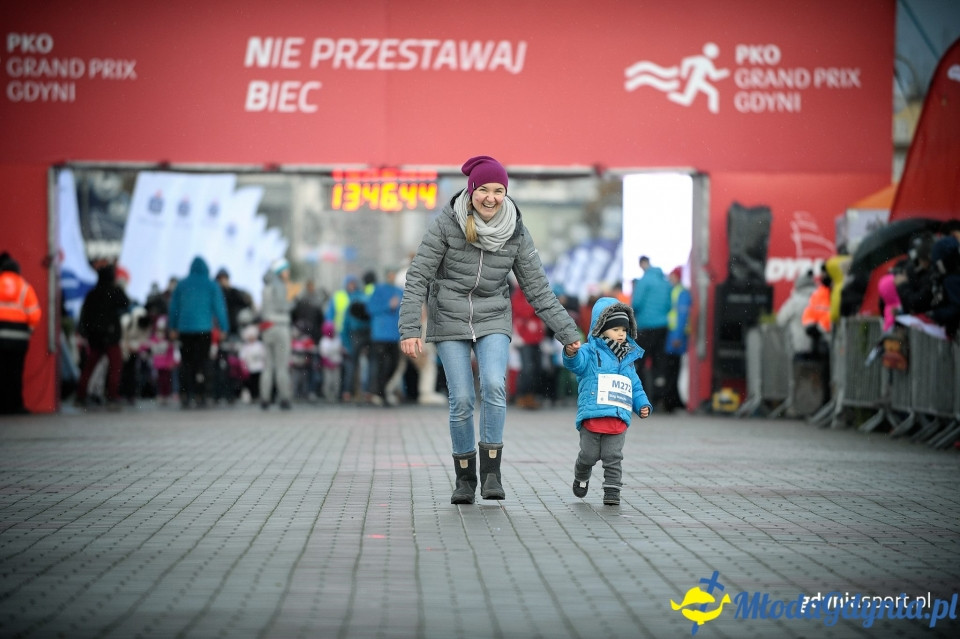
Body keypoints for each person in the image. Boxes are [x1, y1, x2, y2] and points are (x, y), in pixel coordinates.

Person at [399, 155, 582, 504]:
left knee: (495, 386)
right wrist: (410, 328)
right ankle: (465, 479)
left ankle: (492, 474)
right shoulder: (446, 225)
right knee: (463, 399)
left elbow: (537, 288)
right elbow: (418, 276)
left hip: (493, 316)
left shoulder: (515, 231)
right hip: (449, 318)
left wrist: (568, 333)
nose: (490, 197)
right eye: (483, 189)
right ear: (471, 191)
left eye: (498, 190)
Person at [562, 297, 651, 506]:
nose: (621, 333)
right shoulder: (589, 352)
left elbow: (635, 386)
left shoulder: (627, 359)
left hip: (617, 416)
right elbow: (576, 364)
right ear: (601, 328)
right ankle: (582, 474)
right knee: (588, 455)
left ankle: (612, 490)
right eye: (615, 329)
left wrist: (642, 404)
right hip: (593, 416)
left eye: (624, 329)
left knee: (613, 456)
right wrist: (570, 352)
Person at [167, 256, 228, 409]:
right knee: (203, 363)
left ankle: (185, 395)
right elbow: (219, 309)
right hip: (203, 330)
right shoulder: (211, 285)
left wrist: (172, 327)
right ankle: (202, 394)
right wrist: (224, 328)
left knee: (186, 363)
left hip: (185, 330)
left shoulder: (181, 285)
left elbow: (174, 308)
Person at [75, 263, 130, 410]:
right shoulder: (114, 290)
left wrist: (86, 332)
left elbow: (84, 315)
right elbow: (126, 303)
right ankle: (112, 396)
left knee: (89, 366)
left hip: (95, 336)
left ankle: (81, 395)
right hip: (111, 336)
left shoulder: (92, 293)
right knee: (115, 367)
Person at [0, 252, 42, 414]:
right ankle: (15, 405)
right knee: (15, 373)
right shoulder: (24, 287)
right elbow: (35, 314)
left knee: (1, 373)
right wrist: (29, 330)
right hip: (18, 340)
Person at [630, 255, 672, 410]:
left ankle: (642, 399)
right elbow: (669, 305)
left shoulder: (644, 281)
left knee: (640, 361)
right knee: (660, 363)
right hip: (663, 326)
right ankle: (661, 396)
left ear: (642, 264)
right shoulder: (665, 282)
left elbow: (637, 303)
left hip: (646, 326)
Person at [259, 258, 294, 410]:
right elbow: (285, 305)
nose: (288, 272)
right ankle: (284, 398)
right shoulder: (280, 286)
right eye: (286, 270)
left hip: (267, 327)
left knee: (268, 366)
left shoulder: (266, 287)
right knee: (281, 366)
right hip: (280, 326)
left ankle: (265, 398)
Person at [366, 267, 404, 406]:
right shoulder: (379, 289)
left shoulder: (400, 291)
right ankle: (378, 392)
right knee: (381, 365)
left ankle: (382, 390)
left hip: (394, 335)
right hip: (380, 334)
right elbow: (370, 309)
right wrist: (388, 305)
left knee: (393, 364)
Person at [662, 267, 691, 412]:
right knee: (673, 368)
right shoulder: (677, 291)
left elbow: (682, 316)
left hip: (675, 335)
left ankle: (671, 400)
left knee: (673, 368)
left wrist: (678, 336)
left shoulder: (680, 292)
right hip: (674, 334)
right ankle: (673, 399)